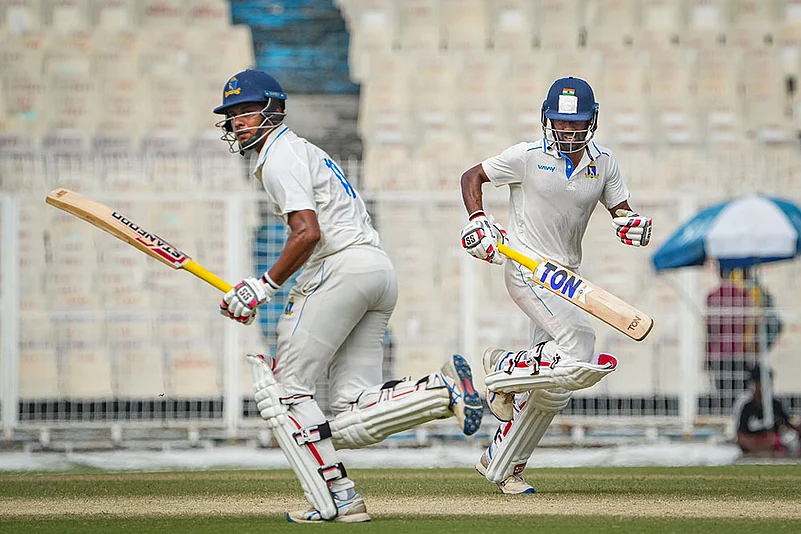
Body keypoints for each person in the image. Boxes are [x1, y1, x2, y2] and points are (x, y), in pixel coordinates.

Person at [214, 69, 483, 522]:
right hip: (375, 270)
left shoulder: (280, 157)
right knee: (351, 412)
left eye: (248, 110)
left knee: (286, 393)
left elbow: (307, 232)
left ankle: (334, 494)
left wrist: (261, 287)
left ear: (275, 110)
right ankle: (437, 394)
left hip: (340, 269)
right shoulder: (301, 151)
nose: (240, 121)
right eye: (233, 114)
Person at [459, 76, 652, 494]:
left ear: (593, 121)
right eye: (562, 124)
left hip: (567, 278)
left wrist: (631, 225)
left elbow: (621, 210)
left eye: (577, 123)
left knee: (553, 386)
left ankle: (503, 463)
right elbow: (471, 176)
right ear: (547, 119)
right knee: (579, 345)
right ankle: (503, 367)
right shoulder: (525, 157)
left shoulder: (603, 163)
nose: (569, 131)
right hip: (527, 267)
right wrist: (478, 220)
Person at [735, 365, 800, 456]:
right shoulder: (746, 406)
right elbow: (741, 435)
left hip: (773, 447)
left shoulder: (775, 404)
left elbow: (787, 424)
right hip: (753, 446)